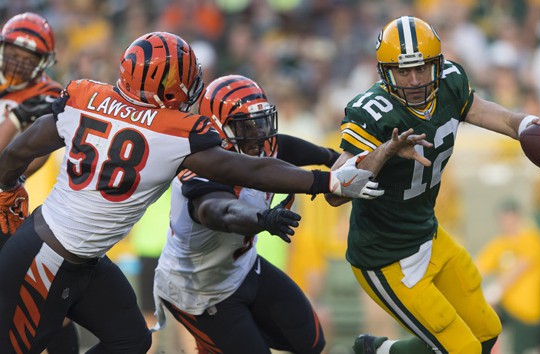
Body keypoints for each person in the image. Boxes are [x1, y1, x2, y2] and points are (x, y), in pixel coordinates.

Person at [0, 31, 426, 354]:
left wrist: (6, 190)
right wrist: (324, 182)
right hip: (47, 257)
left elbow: (19, 150)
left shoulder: (81, 96)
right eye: (184, 79)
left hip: (81, 256)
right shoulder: (174, 133)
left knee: (130, 339)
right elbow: (236, 179)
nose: (192, 88)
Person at [324, 16, 540, 354]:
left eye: (422, 69)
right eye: (403, 71)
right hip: (385, 257)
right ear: (385, 73)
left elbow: (486, 112)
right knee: (463, 350)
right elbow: (334, 191)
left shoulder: (450, 83)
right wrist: (386, 150)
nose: (414, 80)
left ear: (437, 65)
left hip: (428, 234)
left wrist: (529, 124)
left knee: (486, 332)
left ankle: (382, 352)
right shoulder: (374, 112)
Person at [153, 74, 339, 353]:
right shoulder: (199, 168)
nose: (258, 135)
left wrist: (330, 157)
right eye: (245, 127)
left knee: (310, 340)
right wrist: (261, 220)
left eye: (260, 123)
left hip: (243, 268)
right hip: (199, 291)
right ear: (218, 130)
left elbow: (283, 146)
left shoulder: (258, 145)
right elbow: (219, 211)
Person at [0, 12, 79, 354]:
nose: (18, 62)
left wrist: (11, 177)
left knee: (44, 298)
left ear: (42, 61)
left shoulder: (49, 95)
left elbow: (37, 156)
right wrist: (16, 119)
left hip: (10, 209)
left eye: (28, 57)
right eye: (14, 52)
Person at [475, 200, 540, 354]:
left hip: (528, 310)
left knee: (525, 349)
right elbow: (476, 267)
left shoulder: (531, 238)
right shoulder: (499, 244)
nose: (507, 223)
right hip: (508, 306)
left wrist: (494, 291)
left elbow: (519, 268)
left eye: (510, 217)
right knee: (481, 319)